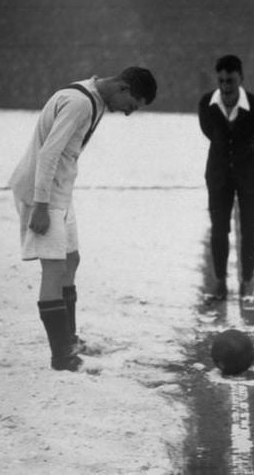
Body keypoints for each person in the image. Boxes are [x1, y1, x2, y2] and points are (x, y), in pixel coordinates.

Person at [9, 67, 157, 371]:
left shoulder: (95, 97)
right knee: (54, 269)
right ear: (123, 88)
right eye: (131, 106)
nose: (128, 114)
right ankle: (62, 356)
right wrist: (40, 205)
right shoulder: (79, 103)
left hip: (59, 192)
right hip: (43, 192)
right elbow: (49, 154)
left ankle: (69, 338)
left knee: (71, 259)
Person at [198, 55, 254, 300]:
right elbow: (209, 131)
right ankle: (220, 282)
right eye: (221, 80)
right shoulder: (206, 104)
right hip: (218, 175)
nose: (225, 86)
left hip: (250, 177)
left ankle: (246, 282)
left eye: (230, 80)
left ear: (240, 78)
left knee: (249, 229)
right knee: (219, 229)